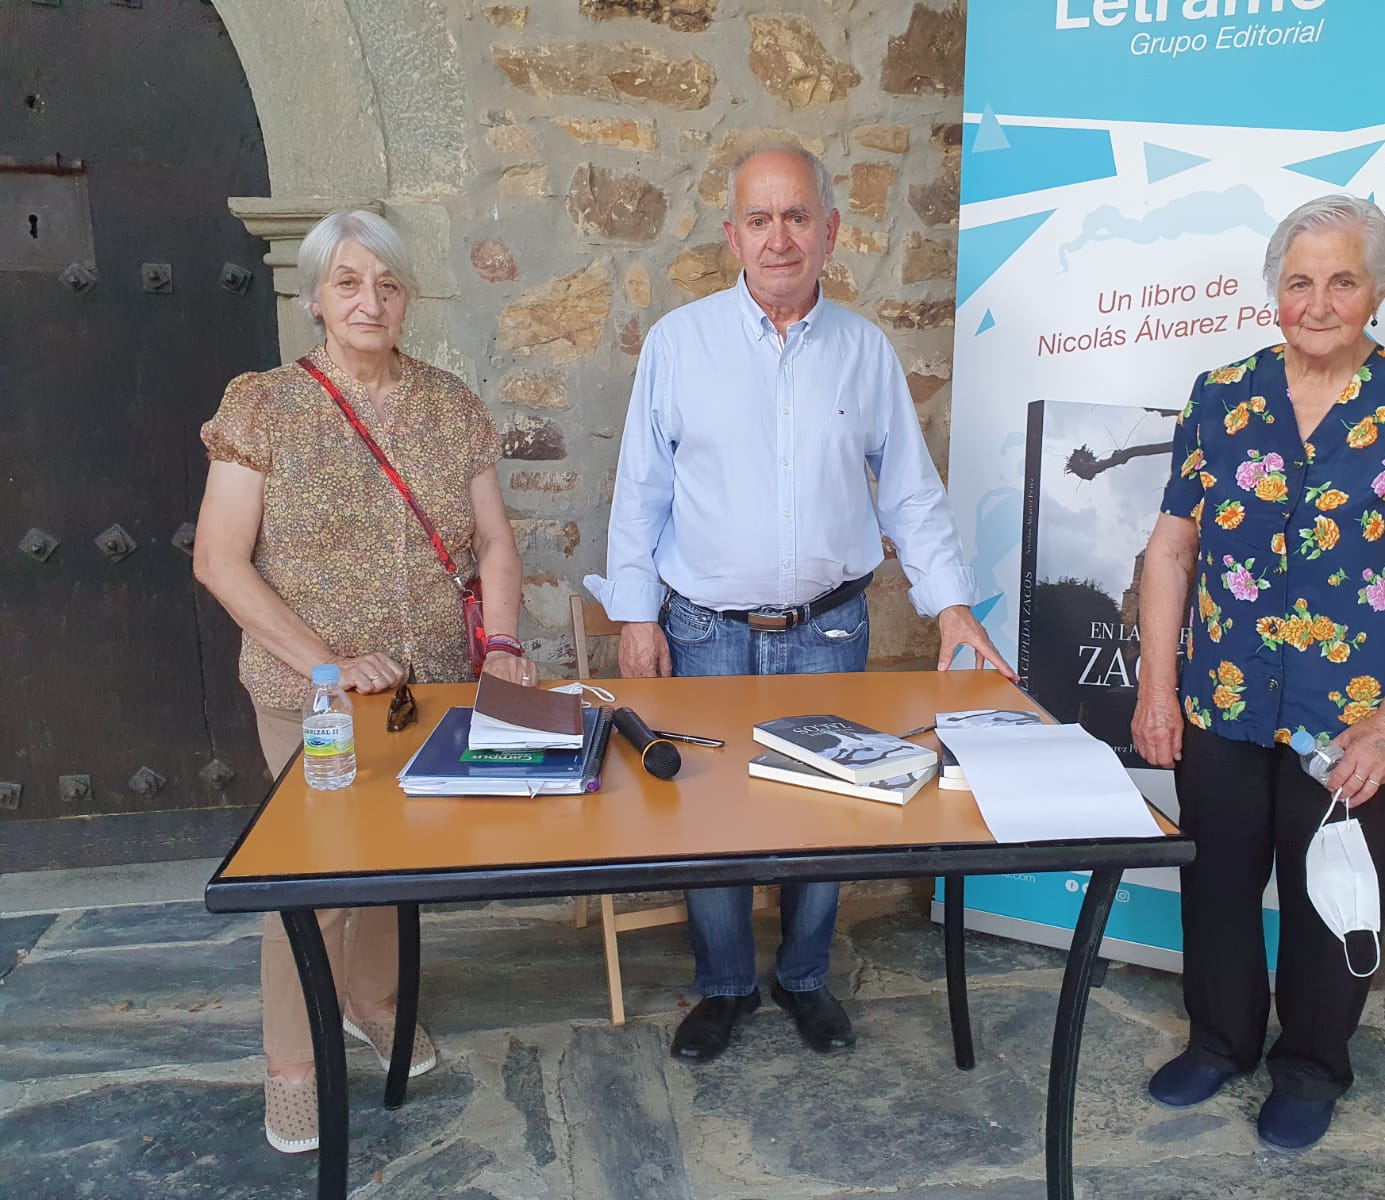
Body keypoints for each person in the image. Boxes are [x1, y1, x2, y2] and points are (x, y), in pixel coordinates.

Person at [584, 144, 1014, 1064]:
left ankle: (806, 978)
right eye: (759, 219)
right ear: (732, 235)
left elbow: (909, 492)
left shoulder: (864, 350)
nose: (778, 238)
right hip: (702, 630)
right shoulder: (679, 343)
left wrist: (948, 605)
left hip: (828, 628)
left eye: (796, 218)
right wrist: (634, 616)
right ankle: (728, 985)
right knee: (707, 821)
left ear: (830, 231)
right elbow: (640, 491)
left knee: (830, 810)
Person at [1131, 195, 1385, 1150]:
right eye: (1300, 281)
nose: (1320, 300)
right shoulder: (1221, 396)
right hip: (1224, 700)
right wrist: (1157, 687)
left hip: (1359, 716)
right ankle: (1219, 1042)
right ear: (1275, 296)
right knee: (1215, 882)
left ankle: (1311, 1066)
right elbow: (1169, 553)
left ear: (1377, 289)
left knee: (1333, 896)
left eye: (1342, 279)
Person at [193, 210, 532, 1153]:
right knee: (311, 879)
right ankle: (293, 1064)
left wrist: (500, 641)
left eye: (385, 283)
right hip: (310, 696)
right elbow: (221, 560)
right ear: (314, 298)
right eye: (347, 282)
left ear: (406, 296)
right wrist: (326, 664)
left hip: (428, 687)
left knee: (395, 865)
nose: (369, 301)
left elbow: (496, 541)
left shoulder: (449, 403)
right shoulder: (263, 404)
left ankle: (372, 1001)